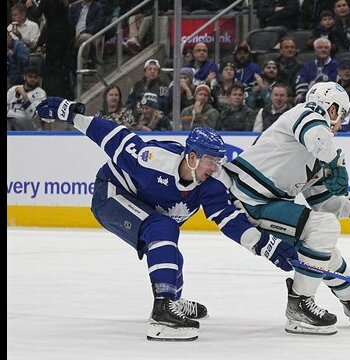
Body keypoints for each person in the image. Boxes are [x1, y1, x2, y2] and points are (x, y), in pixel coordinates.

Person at [35, 97, 298, 341]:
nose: (215, 168)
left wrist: (266, 245)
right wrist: (69, 113)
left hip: (149, 208)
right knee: (163, 227)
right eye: (210, 161)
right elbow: (113, 136)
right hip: (113, 193)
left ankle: (172, 299)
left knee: (170, 252)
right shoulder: (152, 158)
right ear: (192, 157)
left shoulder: (212, 183)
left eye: (218, 162)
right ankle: (162, 311)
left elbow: (228, 219)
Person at [220, 81, 350, 335]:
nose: (340, 126)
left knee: (323, 248)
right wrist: (336, 163)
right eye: (341, 116)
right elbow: (317, 132)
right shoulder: (304, 115)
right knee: (323, 229)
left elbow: (322, 200)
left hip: (267, 204)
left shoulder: (318, 151)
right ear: (332, 109)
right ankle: (299, 306)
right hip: (247, 201)